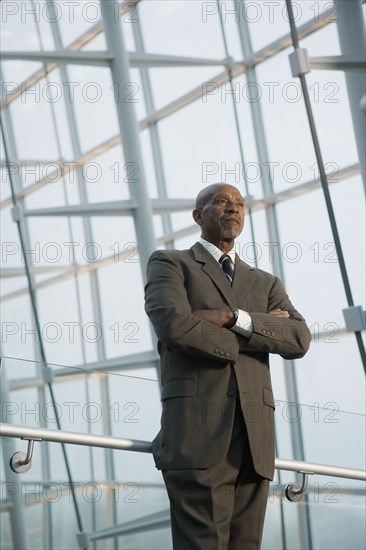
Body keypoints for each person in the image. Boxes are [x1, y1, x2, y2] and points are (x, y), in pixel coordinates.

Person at [144, 183, 311, 550]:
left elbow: (299, 339)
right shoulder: (171, 264)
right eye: (221, 202)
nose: (233, 208)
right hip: (196, 438)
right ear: (198, 215)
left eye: (239, 204)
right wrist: (262, 330)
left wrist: (232, 318)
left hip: (255, 444)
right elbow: (176, 328)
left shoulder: (265, 282)